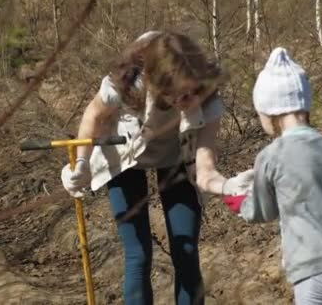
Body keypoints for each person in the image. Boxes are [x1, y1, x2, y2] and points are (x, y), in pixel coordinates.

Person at [60, 31, 253, 305]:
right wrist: (81, 165)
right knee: (138, 254)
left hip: (176, 159)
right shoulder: (128, 83)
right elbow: (94, 114)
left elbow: (205, 167)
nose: (188, 98)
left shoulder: (208, 96)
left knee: (185, 251)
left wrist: (227, 187)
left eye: (192, 90)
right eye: (179, 94)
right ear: (158, 86)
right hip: (126, 158)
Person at [222, 47, 322, 304]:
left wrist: (238, 200)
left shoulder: (272, 155)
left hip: (313, 268)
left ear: (270, 111)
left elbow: (260, 211)